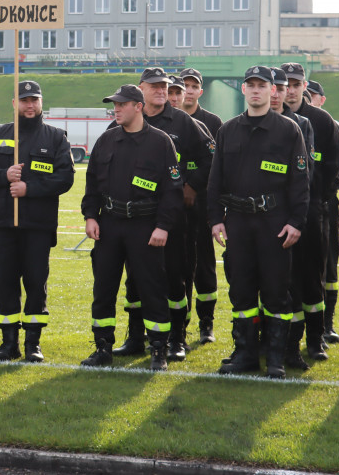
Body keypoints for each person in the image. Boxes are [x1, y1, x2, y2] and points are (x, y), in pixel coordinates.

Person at [208, 66, 309, 379]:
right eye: (249, 85)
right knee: (241, 290)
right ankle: (246, 353)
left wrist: (296, 222)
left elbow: (300, 181)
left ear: (272, 91)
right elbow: (215, 180)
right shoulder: (228, 130)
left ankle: (275, 358)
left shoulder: (288, 131)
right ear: (243, 90)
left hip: (274, 222)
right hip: (238, 221)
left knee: (277, 291)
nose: (255, 90)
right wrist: (215, 219)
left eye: (261, 86)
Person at [108, 68, 213, 363]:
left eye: (164, 86)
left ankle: (177, 338)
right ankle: (134, 336)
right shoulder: (126, 121)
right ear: (140, 90)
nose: (160, 90)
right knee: (135, 280)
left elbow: (210, 159)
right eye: (153, 86)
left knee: (176, 276)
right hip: (136, 219)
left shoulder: (183, 122)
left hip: (175, 217)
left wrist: (191, 185)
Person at [80, 84, 183, 370]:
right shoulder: (107, 140)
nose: (116, 109)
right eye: (114, 104)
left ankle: (159, 350)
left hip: (145, 225)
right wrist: (90, 216)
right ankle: (102, 348)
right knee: (104, 289)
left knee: (152, 289)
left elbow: (172, 190)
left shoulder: (161, 142)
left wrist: (163, 226)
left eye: (122, 104)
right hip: (110, 225)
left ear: (138, 107)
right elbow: (92, 183)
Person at [0, 80, 75, 363]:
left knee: (35, 282)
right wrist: (3, 176)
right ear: (14, 103)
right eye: (24, 100)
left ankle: (33, 343)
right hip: (3, 225)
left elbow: (65, 178)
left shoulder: (55, 137)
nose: (30, 105)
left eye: (34, 100)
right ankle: (8, 343)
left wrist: (30, 189)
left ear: (41, 103)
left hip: (37, 227)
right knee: (4, 283)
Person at [282, 63, 339, 360]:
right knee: (282, 280)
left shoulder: (321, 121)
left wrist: (318, 204)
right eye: (286, 84)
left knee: (312, 278)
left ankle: (315, 338)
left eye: (296, 84)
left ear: (305, 86)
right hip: (279, 216)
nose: (291, 89)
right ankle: (282, 339)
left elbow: (333, 168)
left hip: (313, 214)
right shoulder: (272, 120)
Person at [271, 68, 316, 370]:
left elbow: (305, 174)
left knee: (293, 285)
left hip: (290, 219)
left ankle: (291, 347)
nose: (275, 93)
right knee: (259, 285)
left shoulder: (301, 124)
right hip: (257, 220)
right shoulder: (241, 124)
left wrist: (296, 217)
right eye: (269, 86)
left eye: (279, 87)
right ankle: (264, 343)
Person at [306, 79, 339, 345]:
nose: (305, 97)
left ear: (321, 99)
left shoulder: (334, 129)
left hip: (326, 207)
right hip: (296, 208)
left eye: (312, 94)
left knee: (328, 267)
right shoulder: (285, 123)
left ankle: (327, 323)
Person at [179, 68, 223, 342]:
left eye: (194, 85)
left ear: (200, 91)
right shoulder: (167, 119)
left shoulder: (212, 121)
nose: (189, 90)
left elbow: (217, 165)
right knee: (176, 267)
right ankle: (177, 322)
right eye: (184, 85)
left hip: (203, 204)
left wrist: (195, 186)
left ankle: (206, 322)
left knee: (205, 264)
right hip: (172, 207)